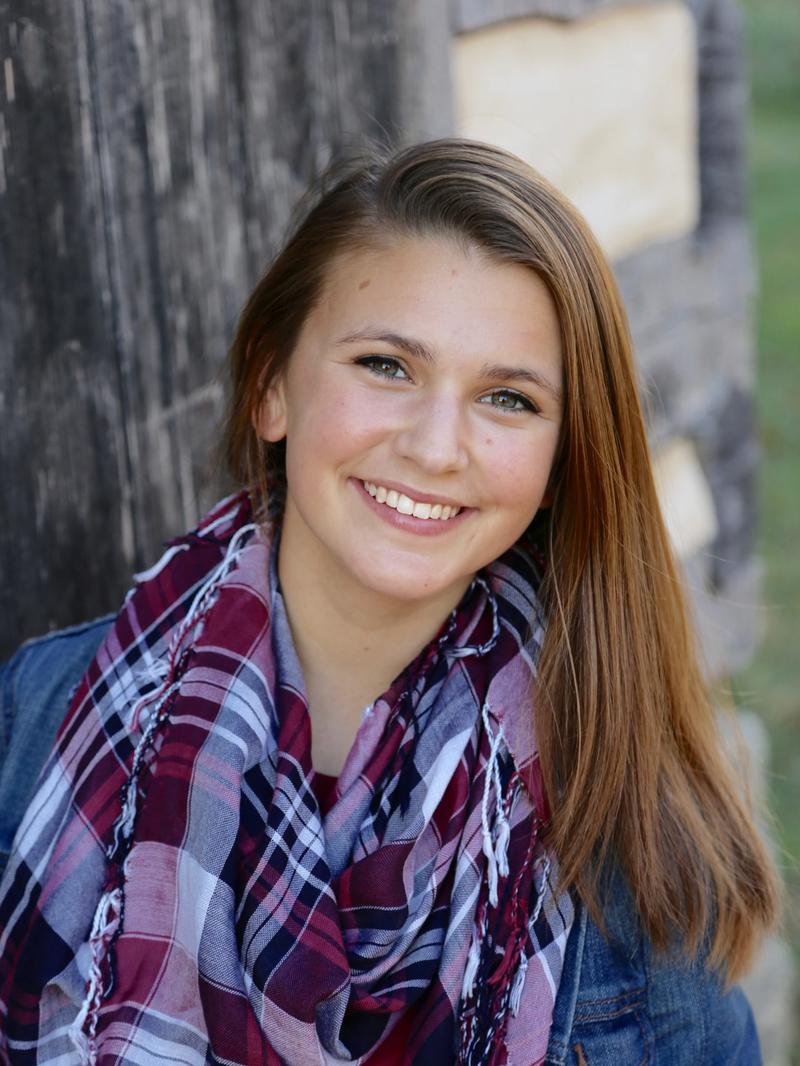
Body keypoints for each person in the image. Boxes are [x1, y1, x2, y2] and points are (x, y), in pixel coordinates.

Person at [0, 139, 778, 1065]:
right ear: (271, 384)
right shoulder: (36, 718)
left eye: (508, 398)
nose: (438, 446)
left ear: (560, 462)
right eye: (385, 366)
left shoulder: (620, 826)